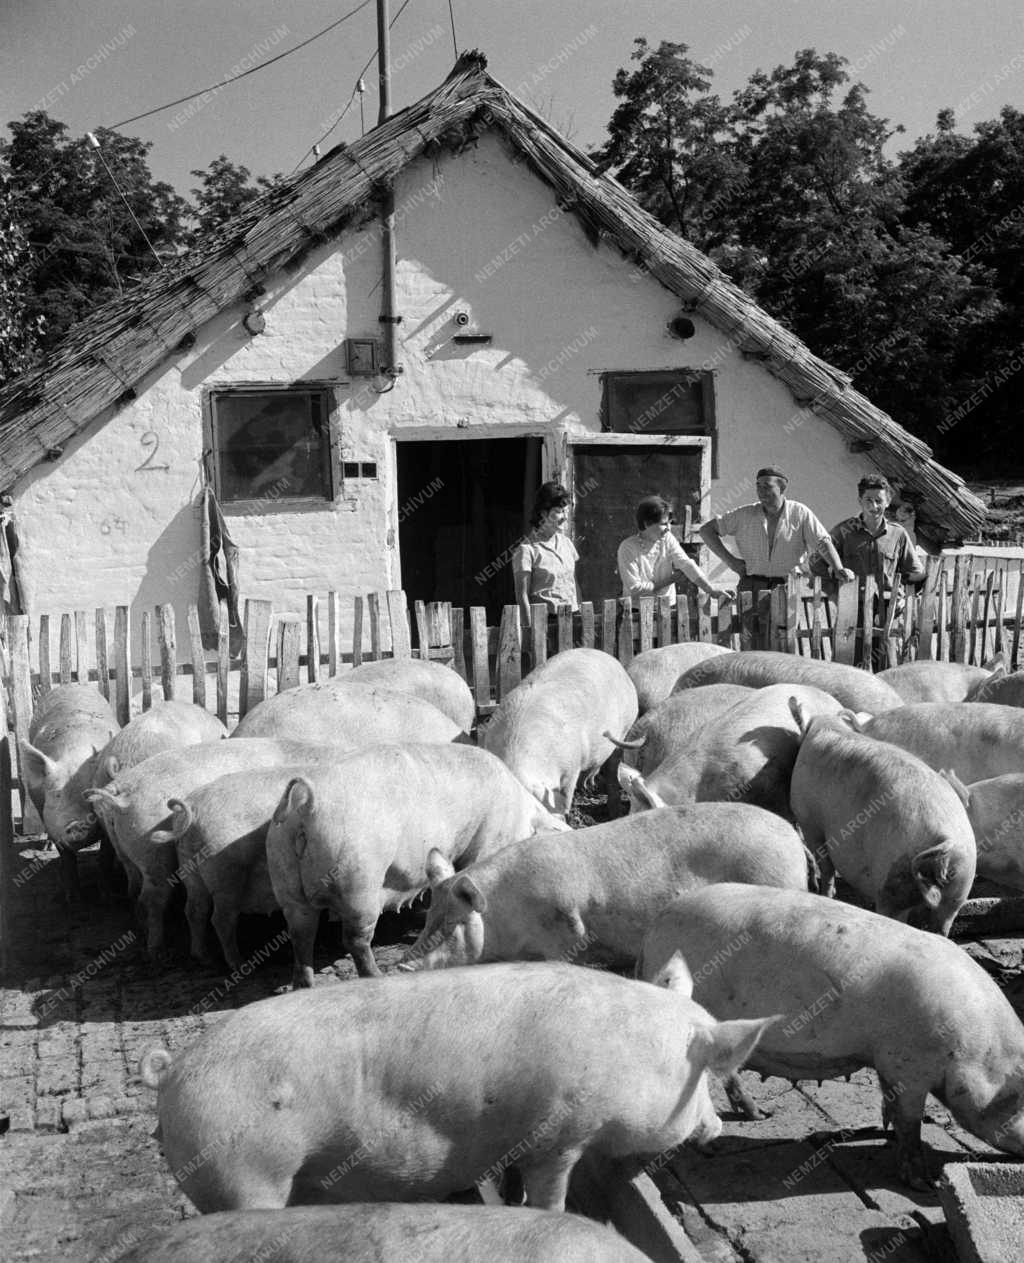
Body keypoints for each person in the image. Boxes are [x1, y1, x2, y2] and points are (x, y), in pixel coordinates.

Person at [812, 474, 927, 596]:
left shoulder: (898, 534)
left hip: (888, 608)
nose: (874, 506)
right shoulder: (844, 531)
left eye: (879, 501)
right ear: (860, 501)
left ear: (887, 502)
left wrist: (901, 595)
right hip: (853, 608)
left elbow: (916, 573)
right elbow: (816, 561)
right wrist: (834, 593)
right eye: (868, 500)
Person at [618, 495, 733, 606]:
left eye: (670, 523)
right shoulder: (628, 547)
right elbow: (635, 589)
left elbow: (687, 564)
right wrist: (671, 580)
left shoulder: (667, 539)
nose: (668, 528)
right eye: (663, 524)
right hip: (638, 610)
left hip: (666, 606)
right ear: (647, 523)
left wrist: (711, 590)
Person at [513, 481, 579, 631]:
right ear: (543, 513)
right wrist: (529, 631)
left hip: (573, 618)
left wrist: (579, 615)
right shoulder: (526, 550)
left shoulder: (567, 544)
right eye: (559, 511)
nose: (564, 517)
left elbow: (574, 583)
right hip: (546, 623)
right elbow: (522, 596)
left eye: (566, 511)